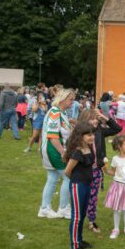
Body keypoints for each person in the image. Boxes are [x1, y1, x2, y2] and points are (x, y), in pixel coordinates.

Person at [78, 108, 122, 233]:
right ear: (85, 119)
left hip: (96, 169)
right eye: (93, 118)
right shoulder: (80, 133)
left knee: (93, 196)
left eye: (96, 118)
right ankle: (79, 218)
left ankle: (91, 221)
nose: (96, 121)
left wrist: (105, 118)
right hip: (83, 170)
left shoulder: (99, 131)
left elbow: (117, 129)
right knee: (83, 196)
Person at [38, 89, 75, 219]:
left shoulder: (61, 112)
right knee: (68, 177)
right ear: (63, 99)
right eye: (70, 99)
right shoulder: (54, 112)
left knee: (52, 178)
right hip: (53, 150)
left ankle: (44, 208)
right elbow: (53, 136)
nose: (72, 102)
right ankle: (63, 208)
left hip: (52, 149)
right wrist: (63, 153)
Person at [63, 122, 96, 249]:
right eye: (88, 135)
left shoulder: (88, 147)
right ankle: (74, 246)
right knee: (76, 216)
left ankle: (80, 240)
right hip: (78, 185)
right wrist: (76, 182)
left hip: (87, 185)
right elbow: (67, 171)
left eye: (92, 134)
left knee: (82, 215)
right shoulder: (77, 151)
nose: (91, 137)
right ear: (80, 136)